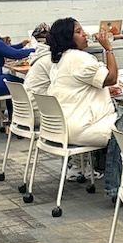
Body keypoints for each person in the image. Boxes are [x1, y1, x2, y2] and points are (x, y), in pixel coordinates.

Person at [44, 18, 118, 148]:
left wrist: (105, 90)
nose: (85, 34)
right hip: (85, 129)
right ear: (67, 38)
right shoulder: (79, 58)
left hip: (61, 128)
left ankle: (97, 160)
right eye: (78, 32)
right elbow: (111, 79)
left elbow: (77, 87)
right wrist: (108, 49)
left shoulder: (59, 60)